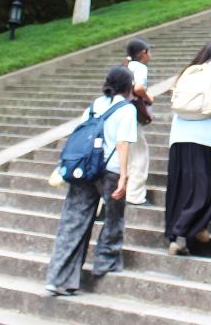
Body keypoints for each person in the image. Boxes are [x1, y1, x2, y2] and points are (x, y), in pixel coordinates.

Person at [44, 66, 138, 294]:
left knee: (73, 221)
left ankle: (59, 278)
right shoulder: (127, 109)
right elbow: (122, 144)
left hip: (84, 168)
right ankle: (106, 261)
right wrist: (124, 176)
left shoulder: (95, 105)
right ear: (128, 86)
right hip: (110, 170)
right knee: (113, 218)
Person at [164, 39, 211, 256]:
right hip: (208, 136)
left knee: (182, 186)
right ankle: (193, 227)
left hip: (179, 137)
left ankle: (182, 236)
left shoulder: (189, 71)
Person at [124, 37, 153, 205]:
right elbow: (139, 88)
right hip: (132, 115)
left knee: (127, 154)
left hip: (120, 114)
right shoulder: (140, 67)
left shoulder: (125, 66)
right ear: (143, 53)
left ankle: (124, 190)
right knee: (140, 154)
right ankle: (135, 195)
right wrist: (148, 97)